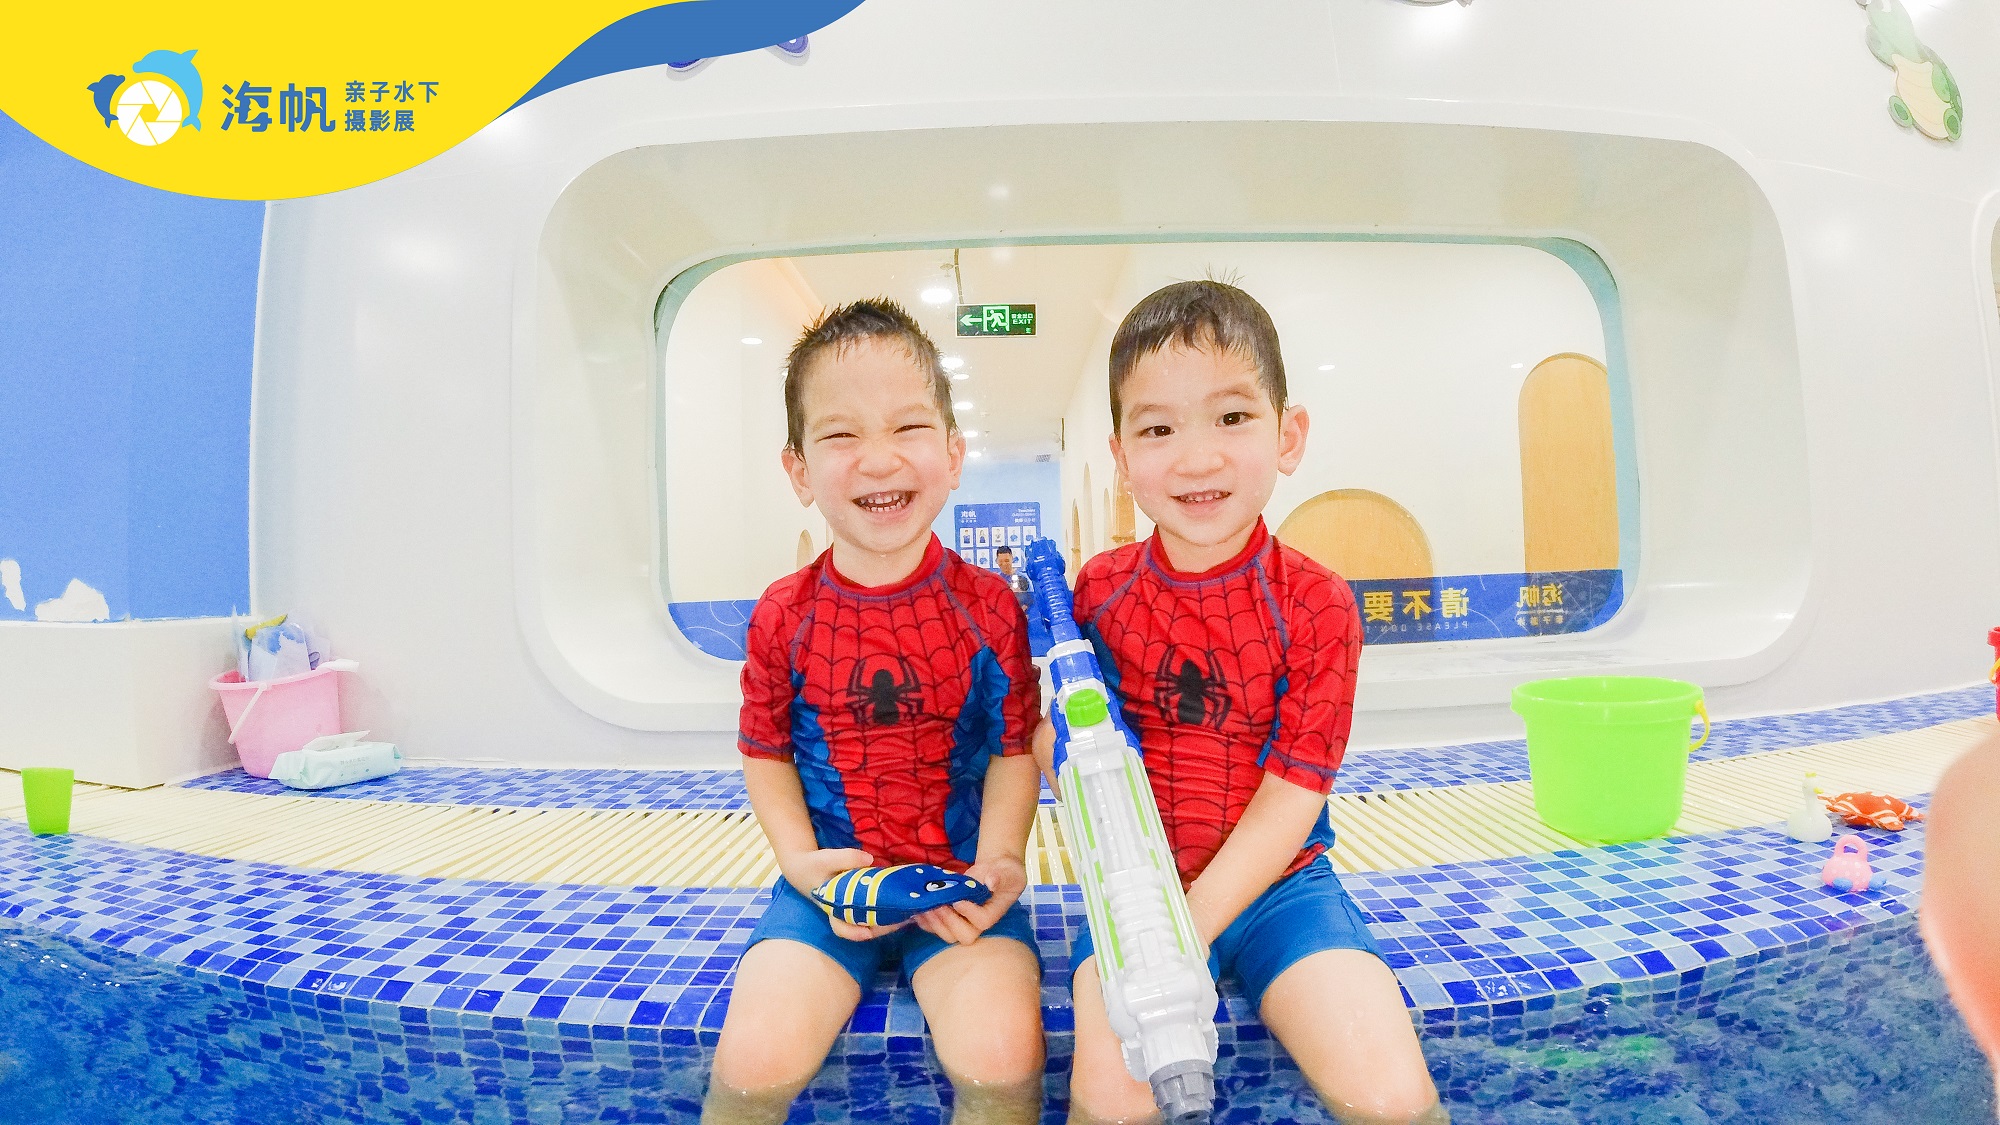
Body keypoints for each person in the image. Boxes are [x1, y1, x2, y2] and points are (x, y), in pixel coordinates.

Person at [1038, 281, 1446, 1124]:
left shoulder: (1317, 604)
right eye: (1158, 429)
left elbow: (1294, 793)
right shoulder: (1099, 593)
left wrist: (1186, 929)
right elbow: (1058, 743)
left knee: (1391, 1096)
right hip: (1135, 890)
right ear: (1121, 457)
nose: (1197, 458)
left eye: (1231, 417)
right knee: (1110, 1099)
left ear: (1287, 434)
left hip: (1282, 889)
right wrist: (1060, 757)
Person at [703, 299, 1045, 1125]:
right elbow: (765, 750)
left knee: (1002, 1058)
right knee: (752, 1063)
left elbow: (1012, 748)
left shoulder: (989, 608)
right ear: (798, 471)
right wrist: (798, 860)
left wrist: (999, 857)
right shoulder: (783, 613)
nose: (879, 458)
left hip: (958, 879)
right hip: (829, 883)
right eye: (841, 433)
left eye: (908, 426)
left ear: (954, 454)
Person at [994, 544, 1034, 615]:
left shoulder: (1022, 578)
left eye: (1006, 560)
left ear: (1012, 559)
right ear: (997, 561)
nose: (1004, 564)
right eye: (1001, 561)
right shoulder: (995, 579)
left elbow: (1031, 600)